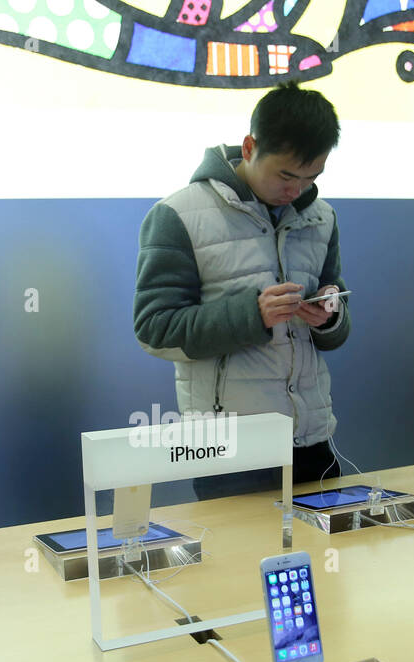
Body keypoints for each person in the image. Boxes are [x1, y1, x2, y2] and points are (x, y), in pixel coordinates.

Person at [133, 81, 350, 499]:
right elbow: (154, 329)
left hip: (312, 438)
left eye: (311, 177)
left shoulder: (321, 218)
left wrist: (330, 316)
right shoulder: (177, 214)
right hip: (229, 447)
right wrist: (254, 315)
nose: (297, 190)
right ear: (250, 147)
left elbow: (336, 315)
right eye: (286, 174)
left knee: (323, 564)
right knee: (236, 564)